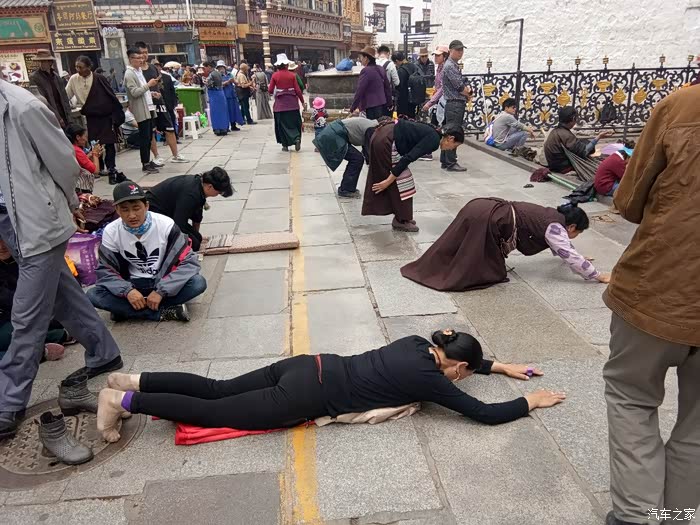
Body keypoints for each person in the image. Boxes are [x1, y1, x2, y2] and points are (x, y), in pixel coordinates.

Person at [96, 329, 566, 442]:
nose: (463, 378)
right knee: (215, 412)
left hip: (307, 364)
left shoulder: (416, 343)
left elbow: (456, 361)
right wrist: (529, 401)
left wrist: (498, 367)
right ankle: (123, 400)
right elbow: (483, 414)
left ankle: (132, 378)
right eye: (467, 371)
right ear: (458, 366)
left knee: (218, 387)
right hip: (303, 396)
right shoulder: (430, 380)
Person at [0, 79, 123, 440]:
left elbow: (65, 164)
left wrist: (68, 203)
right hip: (8, 219)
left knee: (27, 315)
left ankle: (9, 400)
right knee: (60, 293)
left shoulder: (23, 107)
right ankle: (104, 352)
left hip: (37, 220)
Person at [601, 82, 700, 525]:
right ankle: (676, 517)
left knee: (632, 397)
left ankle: (636, 517)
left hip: (659, 288)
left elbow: (629, 202)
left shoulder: (682, 105)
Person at [401, 200, 610, 291]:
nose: (573, 236)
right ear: (572, 226)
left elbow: (564, 249)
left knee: (457, 244)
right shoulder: (555, 226)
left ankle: (430, 267)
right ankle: (448, 274)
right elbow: (567, 252)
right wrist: (597, 275)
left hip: (482, 206)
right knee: (479, 261)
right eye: (577, 233)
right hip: (490, 217)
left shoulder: (551, 215)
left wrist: (575, 255)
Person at [87, 181, 207, 324]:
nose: (132, 215)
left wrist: (161, 291)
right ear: (117, 210)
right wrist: (127, 291)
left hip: (163, 280)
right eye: (125, 210)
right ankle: (163, 312)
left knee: (197, 283)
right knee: (93, 294)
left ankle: (126, 311)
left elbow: (189, 262)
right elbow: (105, 270)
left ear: (146, 206)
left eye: (136, 208)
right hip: (132, 283)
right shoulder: (111, 231)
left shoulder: (166, 225)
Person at [362, 119, 463, 233]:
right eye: (455, 146)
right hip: (386, 141)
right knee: (403, 181)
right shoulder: (434, 140)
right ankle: (401, 220)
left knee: (402, 179)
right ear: (450, 138)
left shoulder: (434, 133)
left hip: (384, 135)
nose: (452, 149)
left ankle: (403, 217)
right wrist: (388, 181)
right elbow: (409, 158)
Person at [0, 238, 72, 362]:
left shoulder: (28, 259)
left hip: (34, 312)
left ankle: (36, 345)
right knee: (10, 334)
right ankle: (45, 347)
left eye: (3, 240)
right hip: (13, 318)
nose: (2, 246)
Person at [66, 56, 125, 184]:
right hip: (91, 116)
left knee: (109, 143)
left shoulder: (99, 78)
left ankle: (111, 168)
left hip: (105, 116)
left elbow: (110, 96)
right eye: (76, 67)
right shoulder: (73, 79)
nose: (78, 70)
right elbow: (66, 96)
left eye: (81, 67)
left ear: (89, 67)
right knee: (95, 143)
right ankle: (100, 167)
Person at [145, 168, 233, 251]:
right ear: (210, 187)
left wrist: (195, 234)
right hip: (155, 211)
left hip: (170, 212)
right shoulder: (191, 195)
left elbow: (197, 217)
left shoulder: (199, 184)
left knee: (198, 238)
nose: (217, 195)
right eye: (218, 192)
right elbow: (179, 223)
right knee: (194, 245)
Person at [134, 42, 188, 165]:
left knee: (169, 128)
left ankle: (176, 154)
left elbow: (159, 83)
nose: (144, 55)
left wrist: (160, 94)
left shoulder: (153, 68)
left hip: (160, 103)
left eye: (146, 52)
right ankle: (157, 156)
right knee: (151, 131)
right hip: (146, 105)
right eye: (141, 53)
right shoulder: (135, 72)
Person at [313, 116, 381, 198]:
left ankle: (346, 188)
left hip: (334, 133)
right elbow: (369, 151)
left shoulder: (370, 124)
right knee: (357, 159)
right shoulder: (372, 129)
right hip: (335, 135)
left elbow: (367, 149)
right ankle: (346, 189)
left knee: (357, 158)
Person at [123, 48, 161, 173]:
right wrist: (149, 85)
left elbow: (143, 90)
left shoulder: (139, 71)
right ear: (131, 59)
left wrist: (151, 93)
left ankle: (148, 160)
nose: (141, 60)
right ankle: (145, 163)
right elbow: (134, 92)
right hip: (141, 109)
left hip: (148, 107)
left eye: (142, 57)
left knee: (149, 136)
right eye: (138, 58)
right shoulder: (129, 74)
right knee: (144, 137)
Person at [544, 107, 613, 172]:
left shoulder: (554, 131)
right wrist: (599, 137)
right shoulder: (566, 135)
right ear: (573, 118)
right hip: (562, 167)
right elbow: (584, 152)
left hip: (554, 165)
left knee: (583, 142)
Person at [440, 40, 472, 172]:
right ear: (450, 51)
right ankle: (451, 162)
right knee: (453, 134)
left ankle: (445, 160)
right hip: (455, 103)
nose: (460, 52)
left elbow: (462, 82)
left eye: (461, 50)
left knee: (448, 132)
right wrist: (468, 94)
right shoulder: (450, 66)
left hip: (453, 103)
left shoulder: (452, 65)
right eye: (457, 50)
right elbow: (459, 86)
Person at [269, 54, 306, 152]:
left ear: (278, 65)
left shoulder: (275, 75)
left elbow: (270, 90)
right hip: (293, 104)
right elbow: (298, 90)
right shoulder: (292, 75)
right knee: (294, 123)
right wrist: (302, 101)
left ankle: (285, 145)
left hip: (280, 105)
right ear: (287, 64)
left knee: (281, 126)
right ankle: (296, 138)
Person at [28, 49, 72, 128]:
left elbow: (64, 97)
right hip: (49, 113)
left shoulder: (56, 76)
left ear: (50, 62)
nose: (41, 64)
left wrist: (69, 116)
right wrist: (58, 117)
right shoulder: (35, 77)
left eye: (44, 61)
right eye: (40, 62)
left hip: (62, 112)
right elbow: (42, 100)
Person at [421, 45, 450, 161]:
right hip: (440, 101)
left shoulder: (445, 69)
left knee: (438, 128)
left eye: (438, 55)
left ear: (445, 56)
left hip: (444, 102)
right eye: (435, 55)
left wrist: (430, 102)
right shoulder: (439, 68)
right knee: (437, 127)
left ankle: (441, 153)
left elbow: (442, 88)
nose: (436, 57)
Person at [350, 46, 392, 120]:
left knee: (372, 125)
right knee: (379, 124)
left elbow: (360, 90)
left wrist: (353, 107)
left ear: (366, 58)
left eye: (361, 57)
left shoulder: (366, 71)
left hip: (371, 106)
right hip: (382, 104)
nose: (360, 60)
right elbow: (387, 87)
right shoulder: (380, 68)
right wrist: (389, 103)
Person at [64, 123, 104, 193]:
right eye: (85, 137)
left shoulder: (70, 148)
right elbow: (95, 170)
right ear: (78, 137)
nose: (86, 140)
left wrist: (91, 155)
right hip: (80, 188)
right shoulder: (77, 150)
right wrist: (95, 154)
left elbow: (81, 163)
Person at [202, 61, 229, 136]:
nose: (205, 69)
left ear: (209, 66)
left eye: (205, 67)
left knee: (215, 112)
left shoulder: (211, 74)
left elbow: (210, 85)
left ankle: (218, 129)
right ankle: (224, 128)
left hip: (214, 94)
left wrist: (205, 82)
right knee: (222, 112)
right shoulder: (218, 73)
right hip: (221, 93)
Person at [154, 61, 180, 138]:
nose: (157, 68)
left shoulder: (167, 77)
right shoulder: (151, 78)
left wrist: (174, 102)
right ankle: (163, 137)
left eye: (158, 66)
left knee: (171, 119)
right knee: (160, 121)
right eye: (155, 67)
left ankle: (174, 136)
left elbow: (172, 91)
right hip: (157, 104)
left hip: (168, 103)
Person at [392, 51, 421, 119]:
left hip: (404, 101)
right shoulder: (413, 66)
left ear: (397, 61)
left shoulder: (401, 71)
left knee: (403, 120)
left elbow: (399, 86)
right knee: (412, 119)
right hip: (413, 98)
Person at [218, 62, 244, 130]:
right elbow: (219, 85)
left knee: (233, 110)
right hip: (224, 95)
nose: (221, 69)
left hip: (232, 94)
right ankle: (226, 126)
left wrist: (233, 81)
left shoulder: (230, 74)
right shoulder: (218, 76)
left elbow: (236, 83)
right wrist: (227, 82)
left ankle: (233, 125)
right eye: (219, 68)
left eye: (222, 67)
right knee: (225, 111)